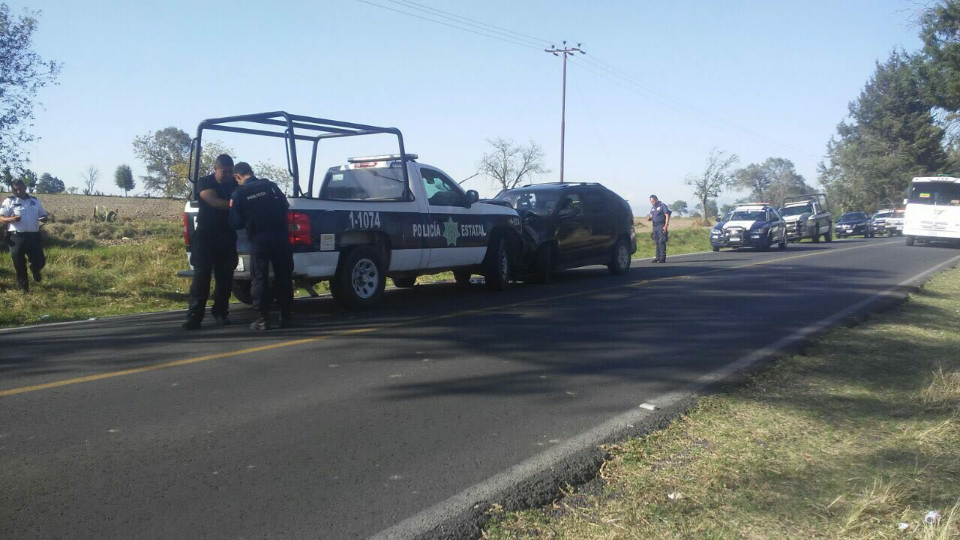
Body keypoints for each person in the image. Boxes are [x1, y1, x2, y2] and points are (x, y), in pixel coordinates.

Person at [229, 162, 293, 330]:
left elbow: (236, 223)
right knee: (284, 276)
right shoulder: (270, 186)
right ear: (251, 172)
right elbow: (285, 206)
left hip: (259, 240)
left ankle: (263, 319)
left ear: (237, 176)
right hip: (281, 237)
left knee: (259, 278)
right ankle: (285, 317)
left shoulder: (239, 193)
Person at [183, 154, 239, 330]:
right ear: (215, 169)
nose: (228, 175)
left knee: (225, 278)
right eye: (224, 171)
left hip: (227, 235)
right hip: (206, 235)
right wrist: (237, 205)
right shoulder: (205, 182)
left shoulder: (234, 184)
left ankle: (221, 313)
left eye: (231, 172)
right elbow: (213, 201)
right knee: (201, 277)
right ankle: (194, 316)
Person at [1, 179, 49, 292]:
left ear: (25, 187)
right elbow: (1, 217)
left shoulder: (34, 201)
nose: (18, 191)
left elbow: (43, 215)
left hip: (33, 236)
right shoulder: (9, 201)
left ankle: (35, 269)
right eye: (15, 189)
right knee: (19, 264)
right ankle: (24, 290)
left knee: (40, 261)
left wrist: (44, 218)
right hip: (16, 237)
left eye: (20, 188)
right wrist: (10, 219)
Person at [647, 195, 671, 263]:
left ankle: (662, 257)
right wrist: (649, 218)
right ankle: (657, 257)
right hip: (655, 226)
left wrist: (665, 226)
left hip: (661, 225)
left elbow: (667, 215)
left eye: (653, 201)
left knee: (661, 241)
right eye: (651, 202)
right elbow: (651, 216)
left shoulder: (662, 205)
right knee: (656, 241)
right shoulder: (653, 207)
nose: (652, 203)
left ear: (656, 199)